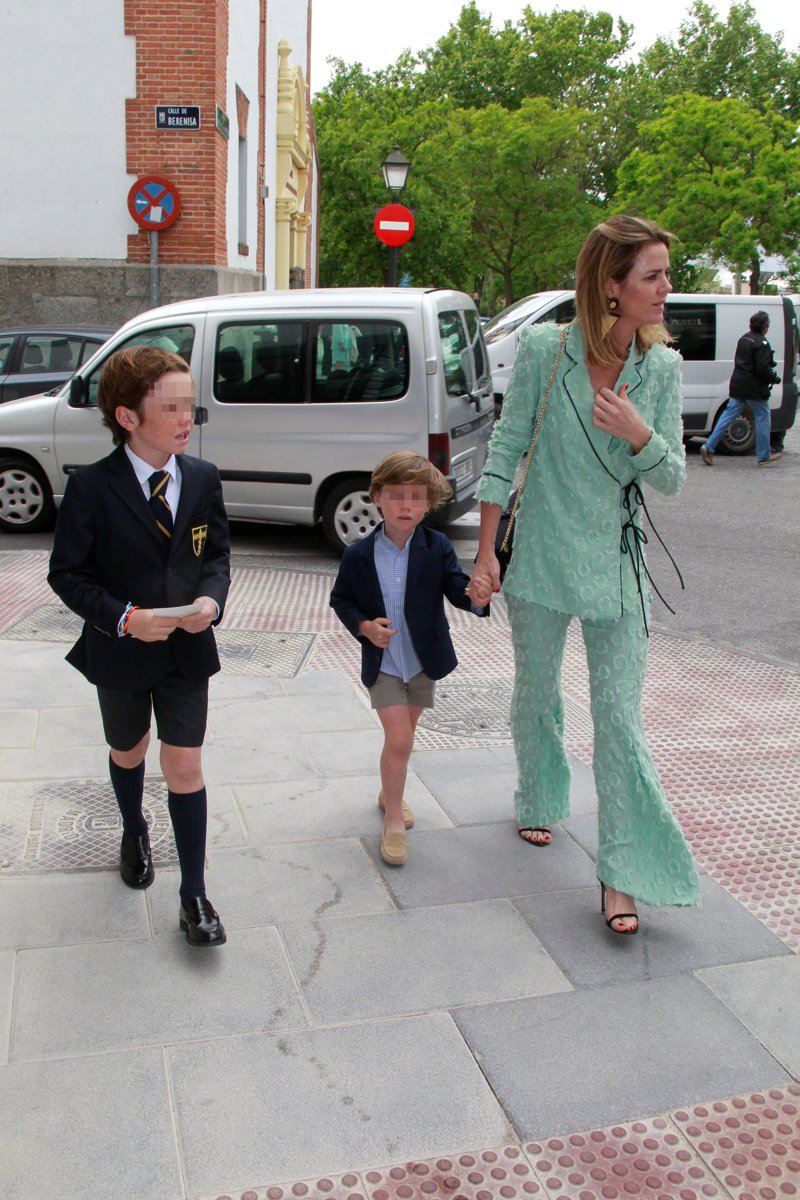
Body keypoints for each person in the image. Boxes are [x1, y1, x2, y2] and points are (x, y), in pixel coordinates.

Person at [470, 214, 700, 935]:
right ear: (611, 285)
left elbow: (672, 477)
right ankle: (539, 797)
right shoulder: (546, 350)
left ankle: (620, 871)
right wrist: (485, 552)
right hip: (541, 553)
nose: (665, 288)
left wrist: (640, 434)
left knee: (620, 722)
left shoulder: (661, 368)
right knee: (536, 691)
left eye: (665, 274)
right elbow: (506, 448)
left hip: (617, 567)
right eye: (652, 276)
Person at [48, 346, 231, 948]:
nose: (186, 418)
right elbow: (67, 575)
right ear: (127, 417)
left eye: (189, 405)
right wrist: (126, 619)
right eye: (170, 407)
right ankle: (133, 828)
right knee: (128, 750)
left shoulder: (201, 477)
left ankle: (194, 893)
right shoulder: (90, 487)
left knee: (185, 764)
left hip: (187, 651)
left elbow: (215, 555)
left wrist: (211, 603)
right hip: (120, 651)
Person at [330, 451, 490, 866]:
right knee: (399, 739)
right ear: (377, 498)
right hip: (383, 663)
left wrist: (475, 596)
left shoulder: (436, 547)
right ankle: (393, 822)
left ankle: (390, 793)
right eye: (396, 495)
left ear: (428, 503)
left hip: (421, 662)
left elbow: (457, 588)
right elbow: (341, 600)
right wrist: (365, 627)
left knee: (403, 739)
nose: (406, 506)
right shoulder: (359, 555)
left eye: (416, 497)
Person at [700, 311, 782, 466]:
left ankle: (709, 445)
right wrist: (774, 378)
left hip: (737, 383)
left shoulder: (744, 338)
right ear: (765, 327)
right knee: (763, 417)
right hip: (754, 388)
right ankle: (763, 455)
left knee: (728, 415)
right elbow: (762, 369)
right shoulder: (762, 343)